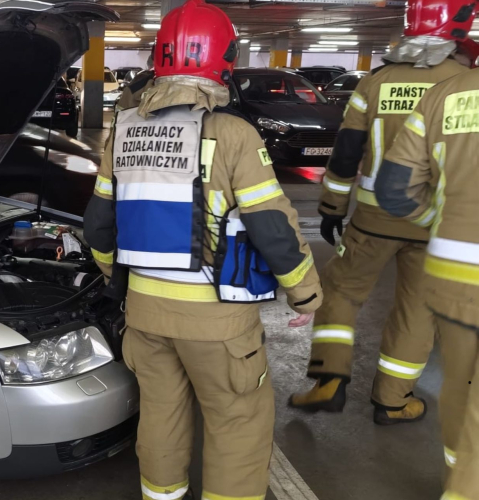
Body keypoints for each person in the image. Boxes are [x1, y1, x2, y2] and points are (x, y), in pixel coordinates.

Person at [83, 1, 322, 498]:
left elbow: (100, 222)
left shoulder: (123, 130)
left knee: (162, 417)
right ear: (224, 60)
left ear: (161, 56)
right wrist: (304, 293)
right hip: (218, 324)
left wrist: (112, 276)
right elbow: (271, 226)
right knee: (237, 422)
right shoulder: (234, 133)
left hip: (144, 316)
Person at [289, 0, 475, 424]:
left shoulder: (375, 84)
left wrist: (332, 206)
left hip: (372, 221)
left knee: (340, 294)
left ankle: (328, 381)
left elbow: (347, 151)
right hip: (436, 228)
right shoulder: (464, 85)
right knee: (417, 310)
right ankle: (392, 401)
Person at [375, 66, 479, 500]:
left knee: (462, 383)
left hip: (453, 272)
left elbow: (393, 188)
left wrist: (438, 224)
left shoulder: (447, 94)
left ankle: (459, 478)